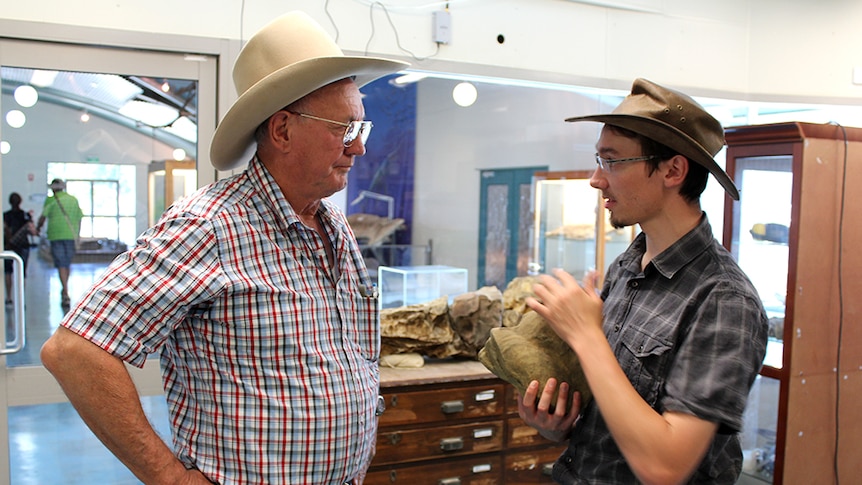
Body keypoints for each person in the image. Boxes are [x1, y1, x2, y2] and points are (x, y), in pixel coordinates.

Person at [39, 11, 407, 485]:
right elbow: (74, 350)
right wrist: (169, 476)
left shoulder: (332, 224)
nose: (358, 148)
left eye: (362, 129)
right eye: (344, 129)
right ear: (282, 130)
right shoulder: (208, 226)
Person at [517, 78, 768, 484]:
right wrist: (555, 421)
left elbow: (665, 467)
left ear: (672, 170)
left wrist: (585, 335)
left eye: (612, 161)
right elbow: (606, 419)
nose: (597, 180)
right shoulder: (626, 267)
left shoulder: (724, 300)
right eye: (599, 160)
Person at [36, 178, 83, 307]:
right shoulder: (73, 200)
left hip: (56, 235)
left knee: (61, 263)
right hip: (70, 235)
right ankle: (65, 287)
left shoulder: (51, 200)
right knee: (66, 263)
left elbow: (43, 217)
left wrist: (37, 228)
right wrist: (77, 235)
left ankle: (65, 291)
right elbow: (79, 218)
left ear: (53, 188)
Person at [4, 192, 36, 303]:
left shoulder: (5, 216)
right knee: (22, 272)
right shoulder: (25, 215)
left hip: (8, 246)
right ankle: (20, 297)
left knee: (8, 271)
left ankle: (8, 297)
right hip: (23, 246)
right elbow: (33, 231)